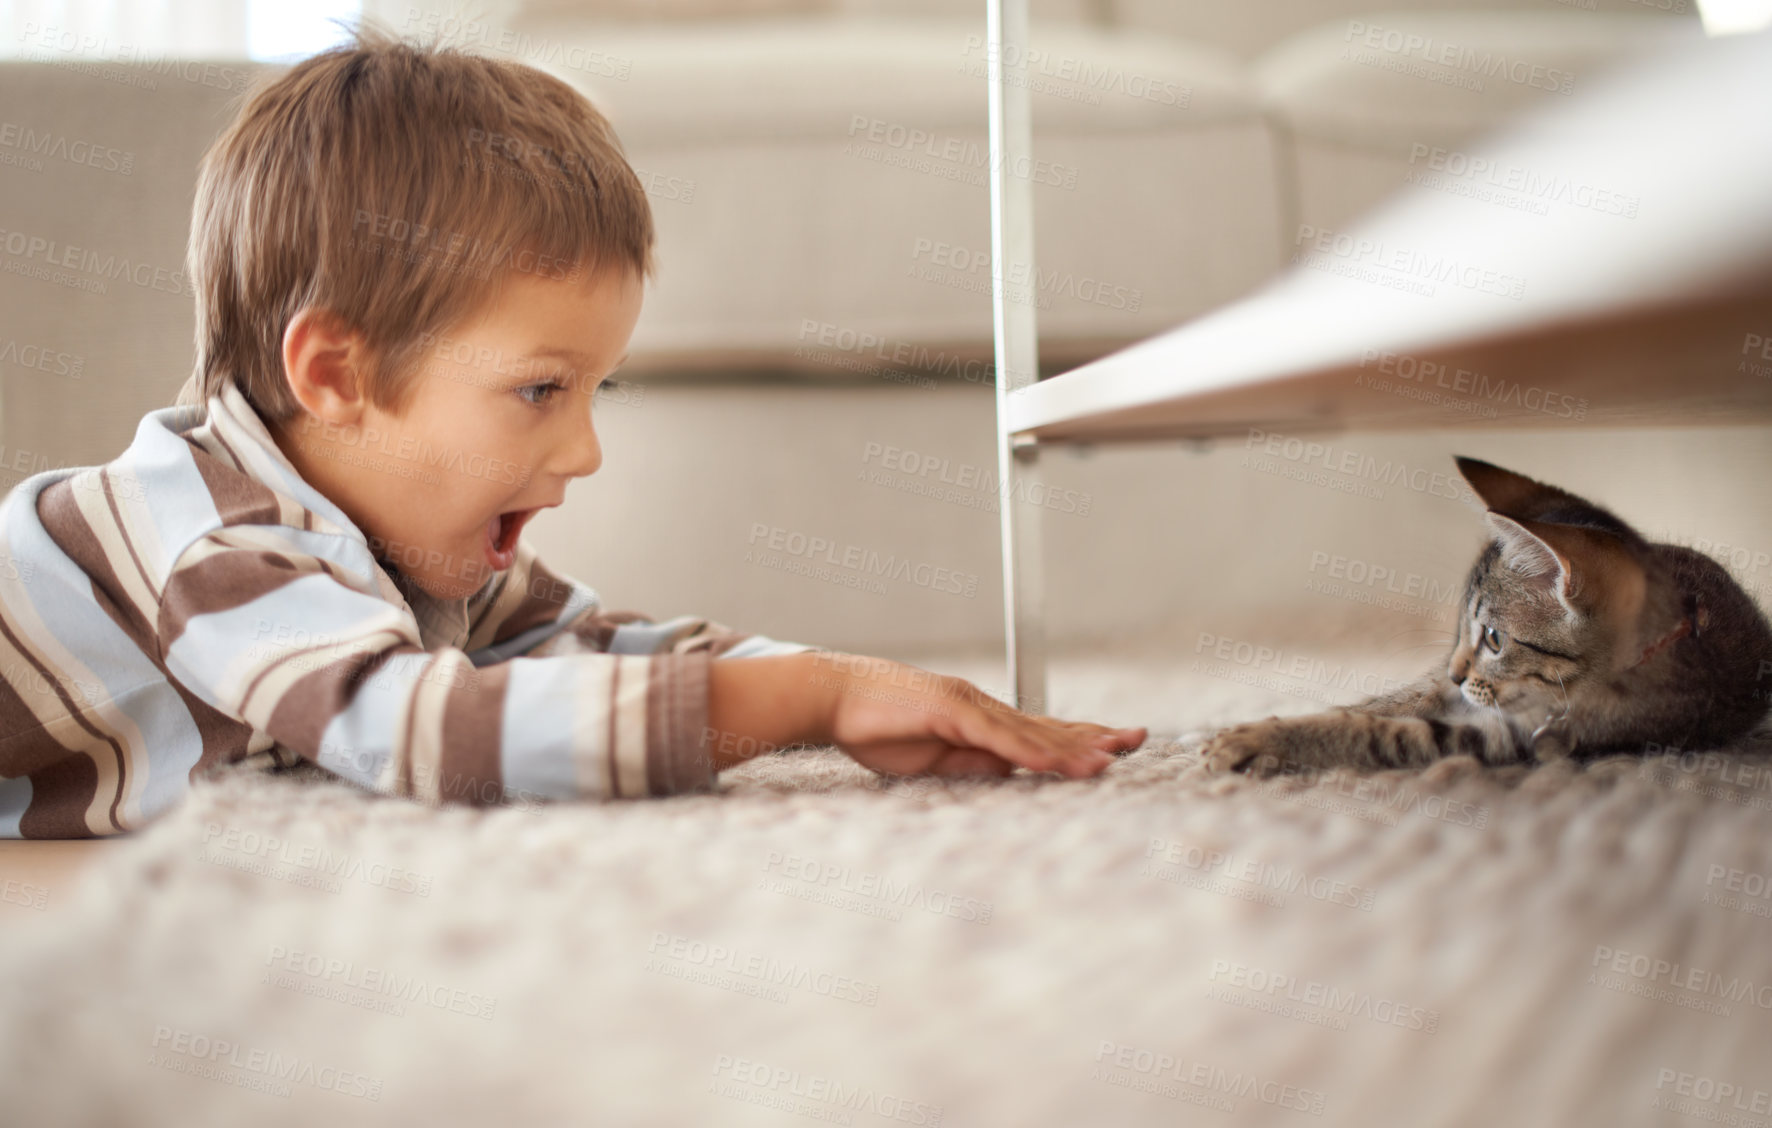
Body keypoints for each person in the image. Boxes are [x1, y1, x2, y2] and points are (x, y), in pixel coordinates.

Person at [0, 25, 1144, 838]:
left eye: (597, 392)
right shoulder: (214, 543)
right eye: (543, 391)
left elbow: (599, 650)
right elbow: (418, 735)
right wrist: (801, 702)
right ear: (335, 374)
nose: (585, 452)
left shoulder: (409, 548)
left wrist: (845, 687)